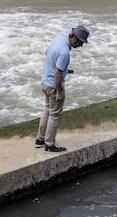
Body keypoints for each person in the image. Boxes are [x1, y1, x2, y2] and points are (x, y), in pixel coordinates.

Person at [35, 25, 89, 153]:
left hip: (45, 83)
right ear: (74, 38)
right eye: (81, 42)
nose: (81, 46)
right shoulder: (65, 53)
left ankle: (40, 140)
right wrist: (60, 91)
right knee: (54, 115)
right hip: (54, 86)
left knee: (47, 110)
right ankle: (49, 144)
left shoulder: (59, 38)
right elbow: (57, 74)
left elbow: (47, 52)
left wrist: (64, 69)